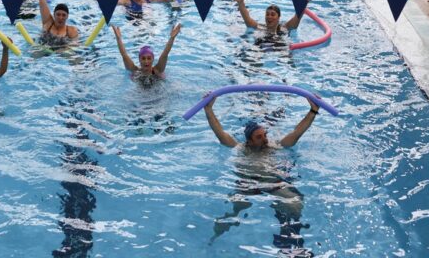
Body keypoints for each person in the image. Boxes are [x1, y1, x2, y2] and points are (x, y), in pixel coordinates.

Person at [204, 94, 320, 254]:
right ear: (249, 141)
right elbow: (220, 133)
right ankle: (222, 229)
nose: (265, 140)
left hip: (273, 184)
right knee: (237, 208)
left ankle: (291, 241)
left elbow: (296, 133)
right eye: (259, 137)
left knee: (295, 204)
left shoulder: (274, 146)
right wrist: (208, 109)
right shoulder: (239, 148)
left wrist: (313, 110)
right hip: (248, 185)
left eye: (265, 135)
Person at [231, 0, 316, 37]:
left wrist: (305, 2)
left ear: (279, 17)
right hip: (261, 48)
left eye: (272, 14)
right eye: (267, 14)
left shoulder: (285, 28)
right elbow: (247, 18)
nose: (269, 17)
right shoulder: (259, 27)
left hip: (279, 49)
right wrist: (241, 3)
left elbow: (298, 16)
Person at [112, 24, 181, 83]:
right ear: (139, 59)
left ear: (153, 59)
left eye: (149, 58)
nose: (146, 61)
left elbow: (165, 54)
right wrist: (118, 38)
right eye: (143, 58)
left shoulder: (158, 70)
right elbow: (124, 55)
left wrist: (172, 38)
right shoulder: (135, 71)